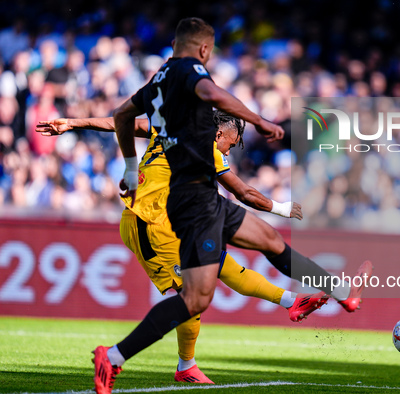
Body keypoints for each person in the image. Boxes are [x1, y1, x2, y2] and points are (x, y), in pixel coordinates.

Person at [93, 17, 371, 394]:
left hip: (201, 199)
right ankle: (114, 357)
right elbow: (212, 95)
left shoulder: (159, 82)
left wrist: (128, 168)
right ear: (204, 50)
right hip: (189, 204)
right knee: (194, 299)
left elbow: (125, 117)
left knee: (270, 240)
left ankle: (340, 293)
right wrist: (258, 120)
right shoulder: (188, 71)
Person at [36, 113, 330, 384]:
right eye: (232, 142)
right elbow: (243, 192)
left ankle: (290, 301)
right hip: (149, 224)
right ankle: (177, 364)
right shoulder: (206, 148)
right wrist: (283, 208)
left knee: (222, 265)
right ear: (218, 134)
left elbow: (124, 122)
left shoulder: (171, 126)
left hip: (169, 221)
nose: (231, 149)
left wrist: (74, 122)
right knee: (191, 298)